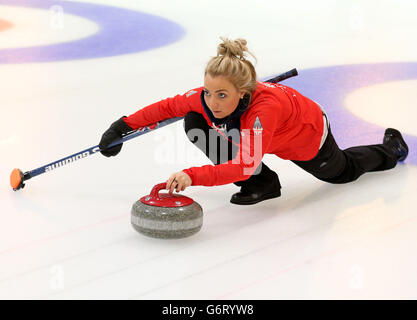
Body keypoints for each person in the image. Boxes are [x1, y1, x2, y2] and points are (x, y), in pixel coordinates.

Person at [98, 37, 409, 205]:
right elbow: (167, 107)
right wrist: (122, 126)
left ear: (243, 92)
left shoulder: (264, 111)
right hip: (253, 137)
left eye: (222, 95)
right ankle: (262, 184)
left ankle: (390, 151)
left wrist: (192, 176)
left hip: (303, 136)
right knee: (194, 119)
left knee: (342, 173)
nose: (212, 102)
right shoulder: (207, 100)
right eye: (208, 92)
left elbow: (246, 161)